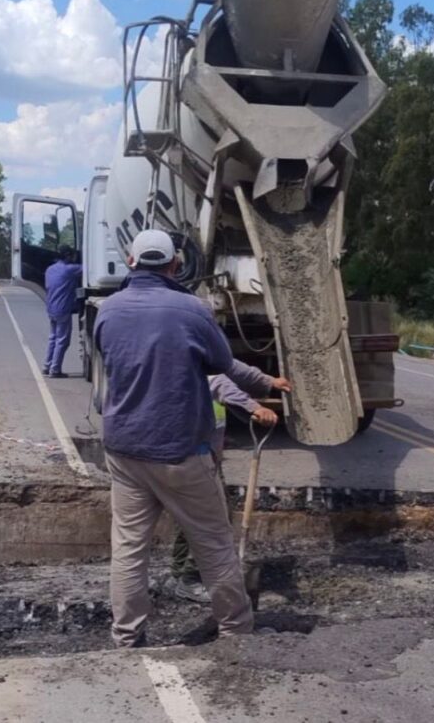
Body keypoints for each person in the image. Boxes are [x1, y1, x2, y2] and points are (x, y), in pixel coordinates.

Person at [93, 228, 256, 648]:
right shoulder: (192, 310)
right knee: (213, 543)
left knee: (129, 547)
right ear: (175, 265)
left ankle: (127, 636)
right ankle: (236, 631)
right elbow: (221, 362)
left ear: (131, 261)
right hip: (181, 450)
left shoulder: (109, 310)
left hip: (124, 449)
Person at [170, 361, 291, 603]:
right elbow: (218, 381)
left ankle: (180, 572)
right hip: (194, 454)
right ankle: (191, 579)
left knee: (192, 516)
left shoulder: (189, 338)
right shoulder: (190, 343)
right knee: (214, 519)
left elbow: (230, 366)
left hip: (201, 450)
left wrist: (267, 381)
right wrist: (254, 407)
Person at [42, 244, 82, 379]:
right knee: (62, 340)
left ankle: (47, 366)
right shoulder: (70, 270)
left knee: (52, 338)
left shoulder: (49, 269)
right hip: (63, 309)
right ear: (68, 256)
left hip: (51, 308)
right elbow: (89, 268)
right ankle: (55, 369)